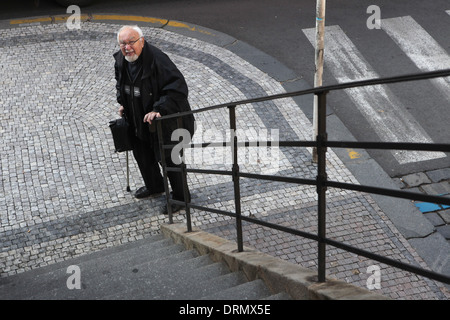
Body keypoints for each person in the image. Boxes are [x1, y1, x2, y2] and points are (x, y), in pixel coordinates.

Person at [113, 25, 194, 214]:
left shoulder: (158, 60)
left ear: (141, 40)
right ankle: (154, 185)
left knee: (168, 158)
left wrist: (159, 109)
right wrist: (123, 102)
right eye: (123, 43)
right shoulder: (121, 60)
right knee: (142, 154)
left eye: (131, 42)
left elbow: (178, 88)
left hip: (164, 122)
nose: (127, 48)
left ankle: (182, 198)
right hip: (137, 118)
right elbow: (120, 83)